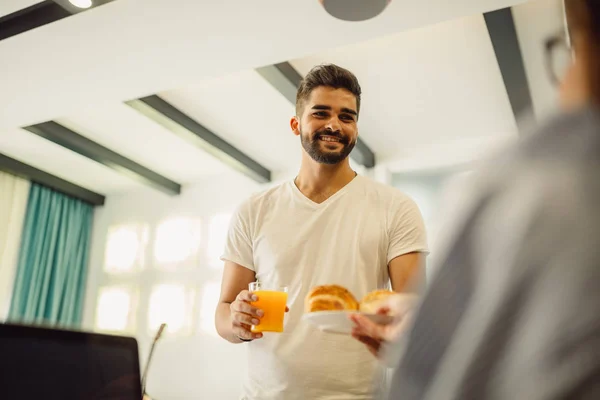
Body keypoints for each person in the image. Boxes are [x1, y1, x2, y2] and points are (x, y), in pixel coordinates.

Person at [350, 1, 600, 399]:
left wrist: (430, 340)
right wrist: (429, 325)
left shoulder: (535, 186)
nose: (565, 83)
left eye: (573, 49)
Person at [214, 64, 429, 400]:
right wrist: (237, 322)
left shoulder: (395, 208)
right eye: (321, 113)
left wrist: (403, 340)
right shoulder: (254, 209)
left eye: (347, 116)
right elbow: (224, 312)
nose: (334, 124)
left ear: (356, 128)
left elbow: (417, 315)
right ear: (296, 124)